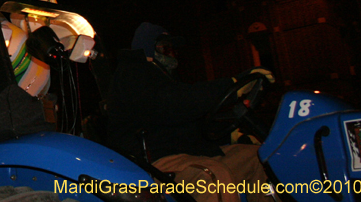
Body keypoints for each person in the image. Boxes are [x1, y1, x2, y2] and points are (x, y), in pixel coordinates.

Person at [106, 22, 274, 202]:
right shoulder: (132, 73)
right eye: (166, 48)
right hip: (153, 160)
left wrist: (229, 136)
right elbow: (174, 105)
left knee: (259, 159)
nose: (172, 53)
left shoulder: (164, 77)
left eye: (173, 49)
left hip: (185, 152)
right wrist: (230, 85)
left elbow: (186, 120)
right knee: (212, 177)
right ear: (148, 48)